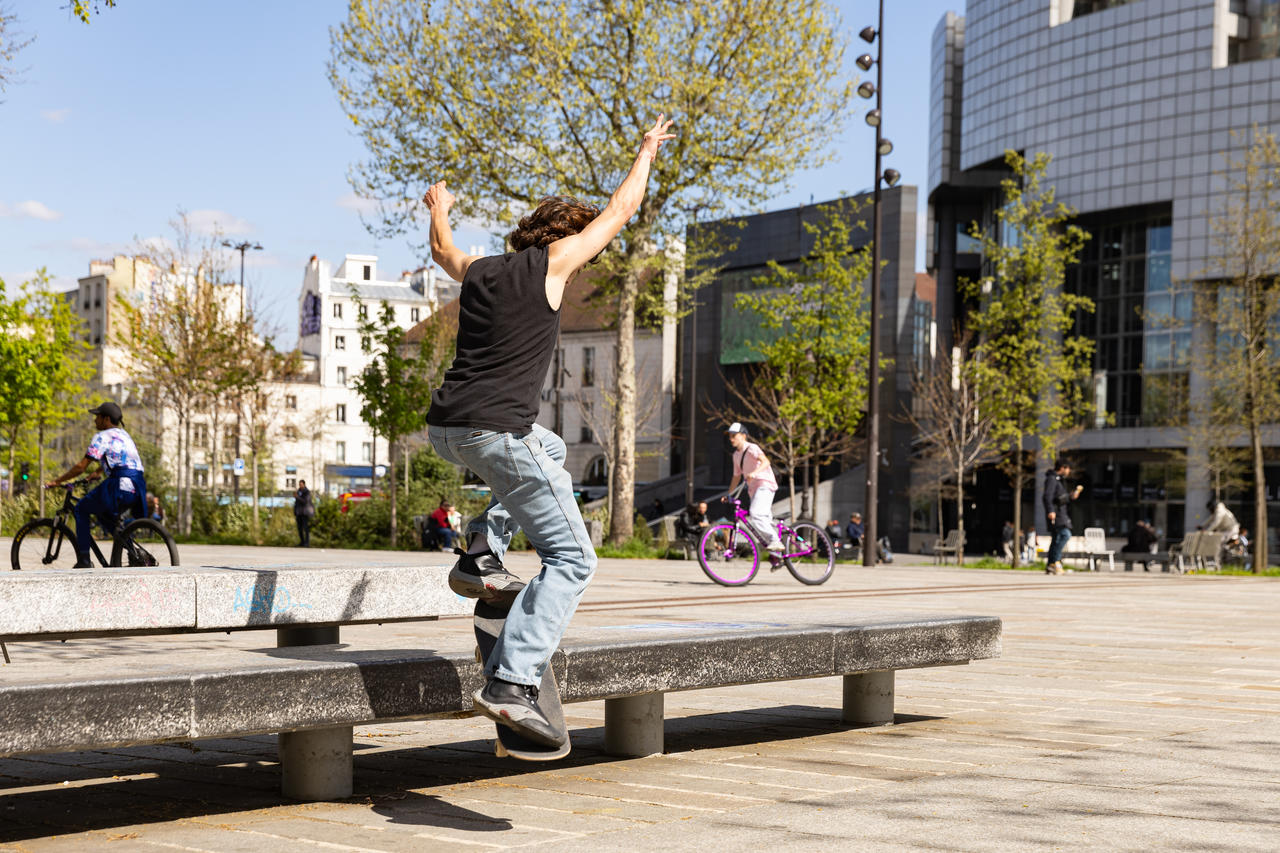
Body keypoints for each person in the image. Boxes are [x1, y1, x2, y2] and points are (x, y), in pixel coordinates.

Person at [423, 114, 676, 749]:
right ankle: (513, 681)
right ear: (564, 239)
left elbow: (440, 250)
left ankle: (481, 550)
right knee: (573, 559)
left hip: (448, 427)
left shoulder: (480, 269)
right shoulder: (552, 265)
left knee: (553, 447)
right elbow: (621, 209)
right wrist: (646, 150)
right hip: (495, 431)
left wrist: (440, 207)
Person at [45, 402, 147, 568]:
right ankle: (132, 551)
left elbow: (81, 466)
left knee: (81, 509)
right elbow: (121, 458)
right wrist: (99, 472)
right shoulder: (124, 435)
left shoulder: (102, 436)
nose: (95, 421)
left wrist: (57, 481)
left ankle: (84, 560)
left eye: (97, 417)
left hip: (118, 484)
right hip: (137, 485)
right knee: (103, 514)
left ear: (106, 419)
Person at [725, 422, 785, 567]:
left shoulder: (752, 448)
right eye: (730, 436)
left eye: (734, 435)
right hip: (754, 489)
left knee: (755, 514)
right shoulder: (736, 455)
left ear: (743, 436)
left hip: (765, 483)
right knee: (762, 519)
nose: (731, 438)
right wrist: (729, 494)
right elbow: (736, 477)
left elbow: (766, 462)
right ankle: (777, 556)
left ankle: (776, 542)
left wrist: (754, 473)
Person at [1042, 459, 1083, 575]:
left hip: (1060, 512)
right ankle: (1055, 561)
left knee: (1056, 538)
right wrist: (1050, 510)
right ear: (1063, 467)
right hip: (1057, 514)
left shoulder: (1058, 480)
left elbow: (1059, 498)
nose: (1069, 471)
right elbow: (1047, 497)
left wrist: (1070, 496)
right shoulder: (1052, 479)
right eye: (1068, 468)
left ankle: (1051, 564)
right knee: (1065, 534)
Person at [293, 480, 314, 547]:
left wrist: (297, 497)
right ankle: (302, 542)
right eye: (299, 484)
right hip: (299, 512)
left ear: (304, 484)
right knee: (299, 528)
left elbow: (305, 501)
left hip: (305, 513)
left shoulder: (307, 492)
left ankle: (307, 543)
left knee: (305, 528)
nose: (300, 486)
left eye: (301, 484)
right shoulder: (298, 491)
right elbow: (297, 502)